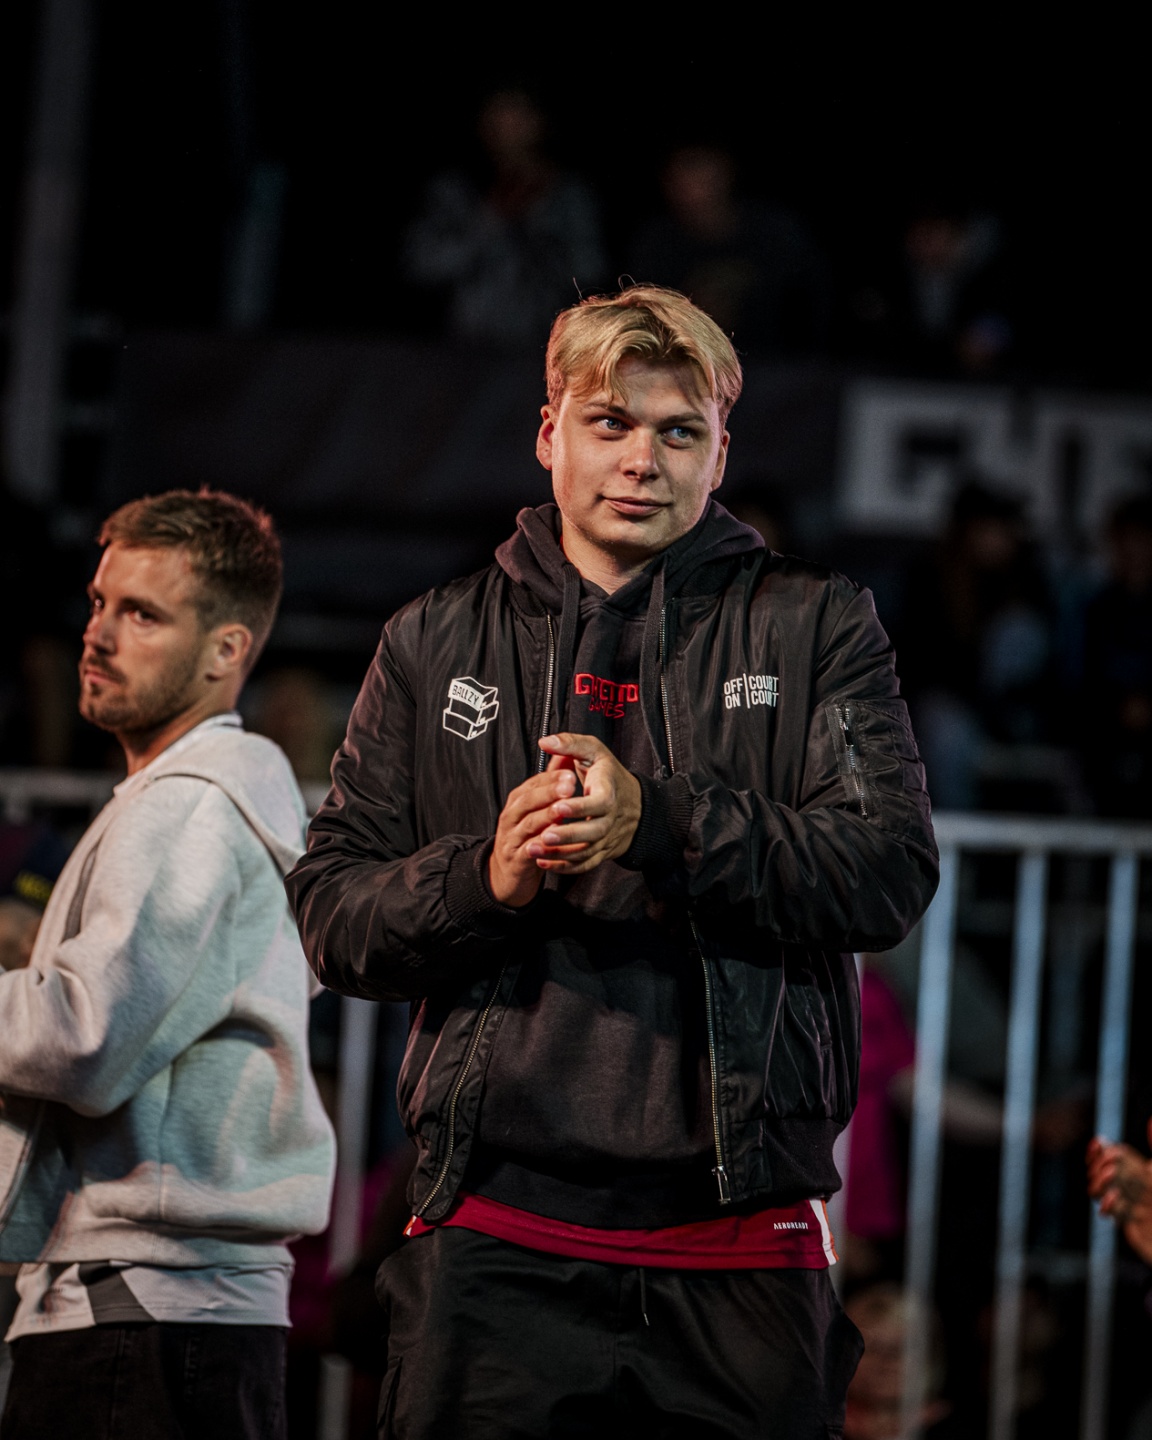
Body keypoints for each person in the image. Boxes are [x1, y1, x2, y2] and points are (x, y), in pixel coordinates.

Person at [288, 285, 939, 1438]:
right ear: (549, 435)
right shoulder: (432, 638)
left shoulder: (817, 623)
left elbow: (887, 869)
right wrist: (485, 878)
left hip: (743, 1236)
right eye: (610, 422)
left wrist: (661, 823)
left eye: (679, 431)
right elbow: (335, 919)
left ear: (720, 453)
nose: (643, 459)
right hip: (494, 1231)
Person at [0, 490, 336, 1440]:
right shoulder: (193, 799)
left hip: (143, 1312)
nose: (99, 635)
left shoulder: (188, 807)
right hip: (165, 1309)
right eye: (100, 603)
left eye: (143, 614)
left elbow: (87, 1038)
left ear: (227, 650)